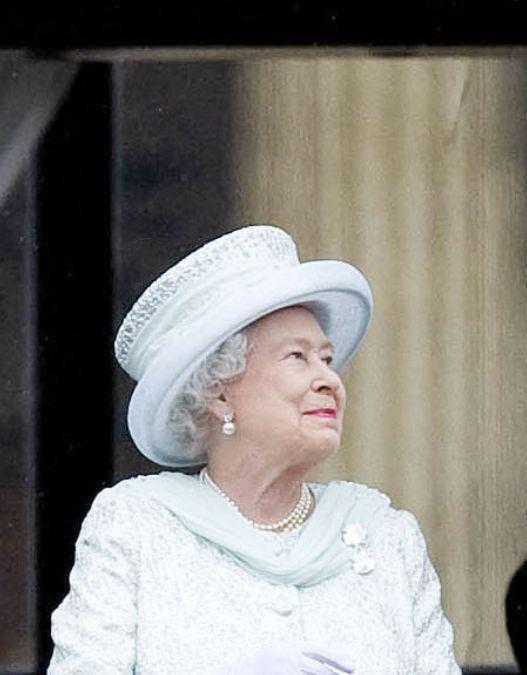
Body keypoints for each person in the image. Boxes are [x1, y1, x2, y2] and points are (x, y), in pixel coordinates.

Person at [49, 225, 461, 675]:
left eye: (325, 358)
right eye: (297, 357)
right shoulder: (136, 528)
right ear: (219, 393)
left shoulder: (388, 536)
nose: (329, 379)